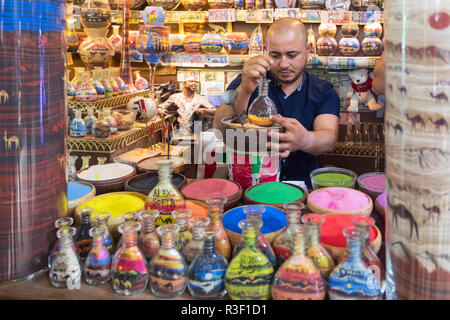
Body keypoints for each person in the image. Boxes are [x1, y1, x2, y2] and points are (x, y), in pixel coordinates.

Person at [213, 18, 340, 188]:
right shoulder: (250, 78)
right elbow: (219, 129)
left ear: (307, 51)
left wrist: (305, 140)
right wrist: (244, 89)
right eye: (275, 55)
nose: (284, 64)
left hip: (299, 187)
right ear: (266, 52)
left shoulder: (323, 90)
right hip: (250, 184)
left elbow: (329, 137)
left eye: (292, 55)